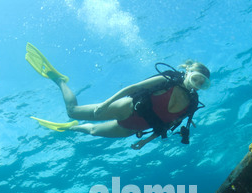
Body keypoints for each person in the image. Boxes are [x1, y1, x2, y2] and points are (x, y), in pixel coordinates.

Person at [26, 43, 210, 149]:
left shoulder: (192, 104)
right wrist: (106, 104)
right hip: (126, 108)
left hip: (130, 129)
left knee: (91, 131)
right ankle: (60, 80)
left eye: (203, 84)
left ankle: (70, 128)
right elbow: (134, 87)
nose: (197, 84)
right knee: (73, 111)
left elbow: (168, 125)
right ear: (188, 72)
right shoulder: (169, 79)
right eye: (196, 78)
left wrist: (146, 141)